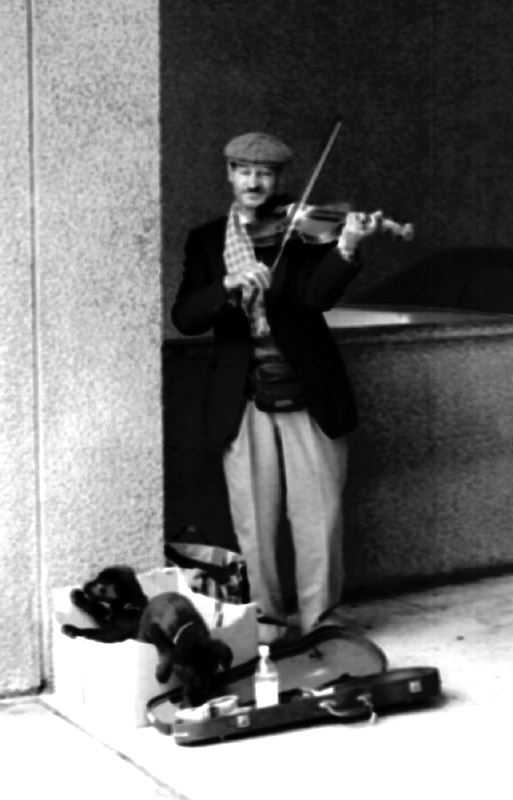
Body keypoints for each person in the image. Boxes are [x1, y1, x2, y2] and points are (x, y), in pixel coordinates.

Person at [172, 131, 379, 643]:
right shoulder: (206, 240)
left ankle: (321, 621)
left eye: (264, 173)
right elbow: (186, 317)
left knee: (319, 515)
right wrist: (225, 286)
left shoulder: (303, 230)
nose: (254, 181)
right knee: (254, 519)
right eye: (243, 170)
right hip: (243, 395)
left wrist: (346, 247)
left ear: (279, 179)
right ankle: (266, 621)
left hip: (308, 388)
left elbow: (314, 299)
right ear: (229, 175)